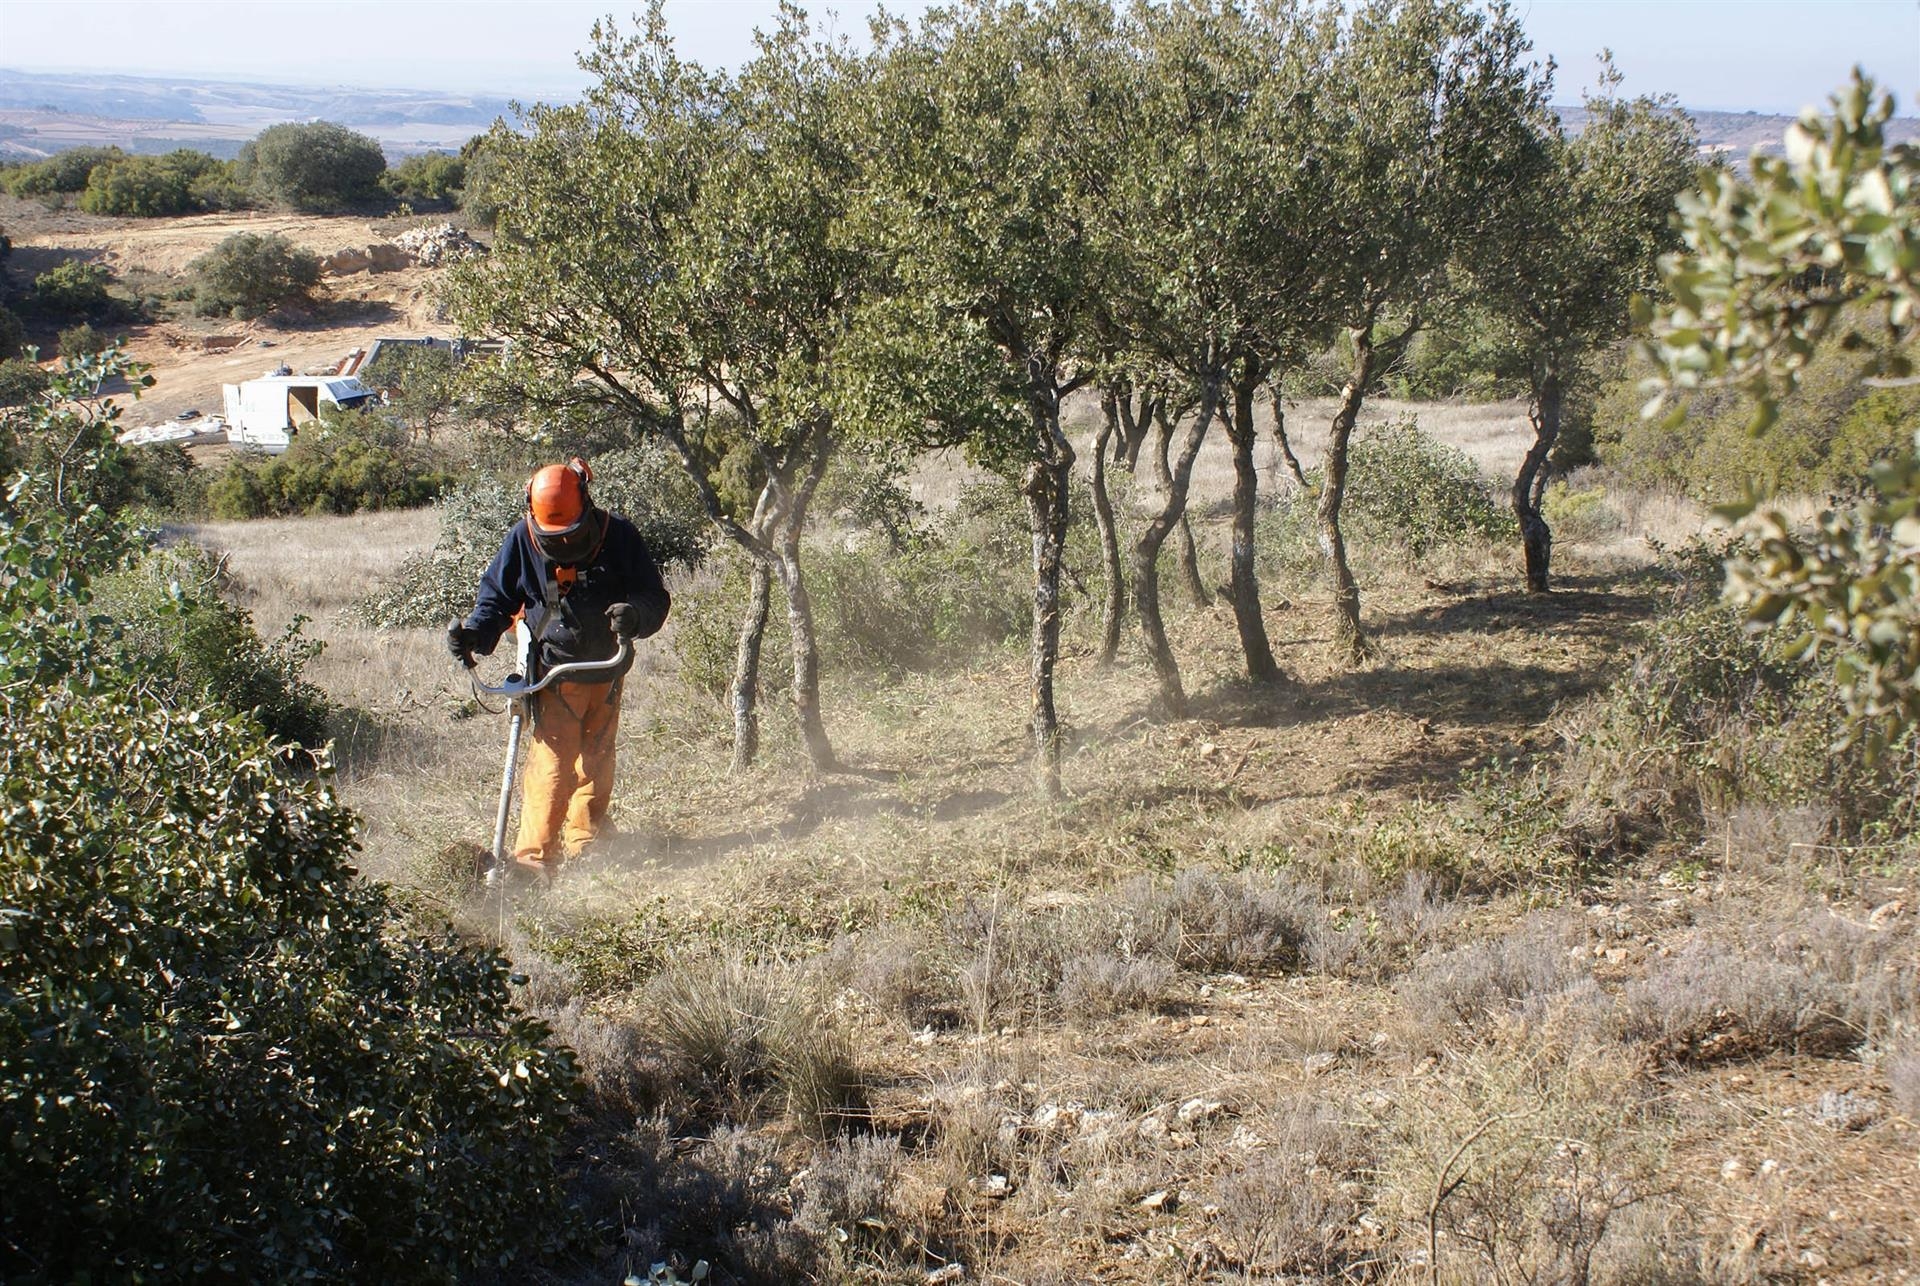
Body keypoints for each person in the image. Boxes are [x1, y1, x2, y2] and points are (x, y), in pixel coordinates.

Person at [447, 457, 670, 881]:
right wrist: (475, 633)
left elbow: (653, 598)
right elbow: (496, 599)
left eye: (570, 534)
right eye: (555, 536)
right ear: (532, 514)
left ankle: (588, 842)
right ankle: (534, 863)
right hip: (552, 673)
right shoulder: (523, 538)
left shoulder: (618, 535)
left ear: (587, 504)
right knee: (552, 767)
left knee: (597, 760)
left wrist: (635, 616)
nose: (563, 543)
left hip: (606, 670)